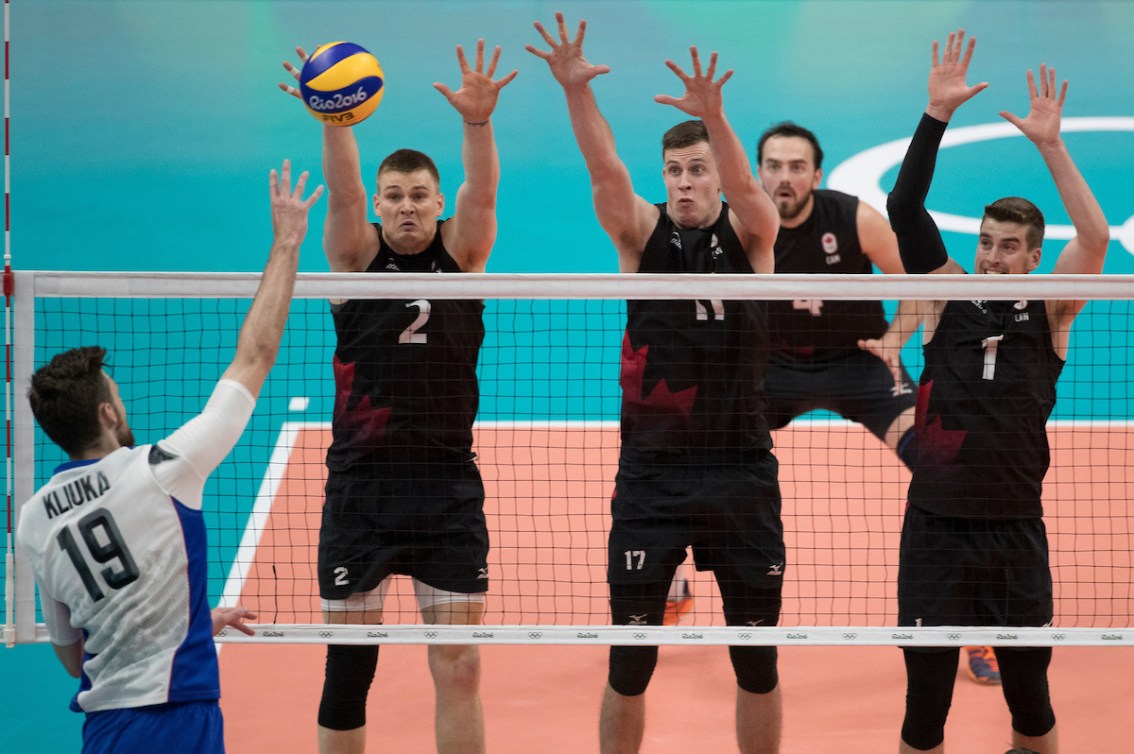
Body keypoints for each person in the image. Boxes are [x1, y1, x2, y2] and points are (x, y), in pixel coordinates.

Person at [528, 14, 783, 753]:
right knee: (630, 661)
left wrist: (715, 119)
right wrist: (577, 93)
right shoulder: (642, 238)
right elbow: (605, 169)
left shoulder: (754, 234)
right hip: (652, 480)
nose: (685, 183)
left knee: (757, 663)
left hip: (741, 472)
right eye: (674, 171)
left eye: (697, 169)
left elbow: (745, 181)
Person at [16, 161, 322, 753]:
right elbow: (253, 359)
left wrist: (184, 627)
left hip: (104, 731)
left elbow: (73, 656)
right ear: (106, 415)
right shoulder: (162, 472)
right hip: (177, 717)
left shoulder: (33, 519)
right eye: (115, 395)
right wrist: (286, 243)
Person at [280, 39, 515, 754]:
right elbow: (344, 192)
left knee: (461, 664)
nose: (406, 207)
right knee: (348, 669)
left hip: (447, 492)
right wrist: (335, 117)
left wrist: (477, 125)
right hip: (362, 495)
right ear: (379, 207)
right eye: (394, 197)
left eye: (420, 196)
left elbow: (484, 193)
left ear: (438, 204)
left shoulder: (464, 255)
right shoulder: (353, 260)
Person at [887, 30, 1109, 754]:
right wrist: (935, 115)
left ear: (1033, 256)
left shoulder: (1051, 310)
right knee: (924, 713)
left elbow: (1097, 236)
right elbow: (905, 208)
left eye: (1008, 245)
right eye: (986, 241)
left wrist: (1051, 145)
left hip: (1015, 532)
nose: (992, 254)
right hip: (935, 531)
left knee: (1032, 708)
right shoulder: (946, 294)